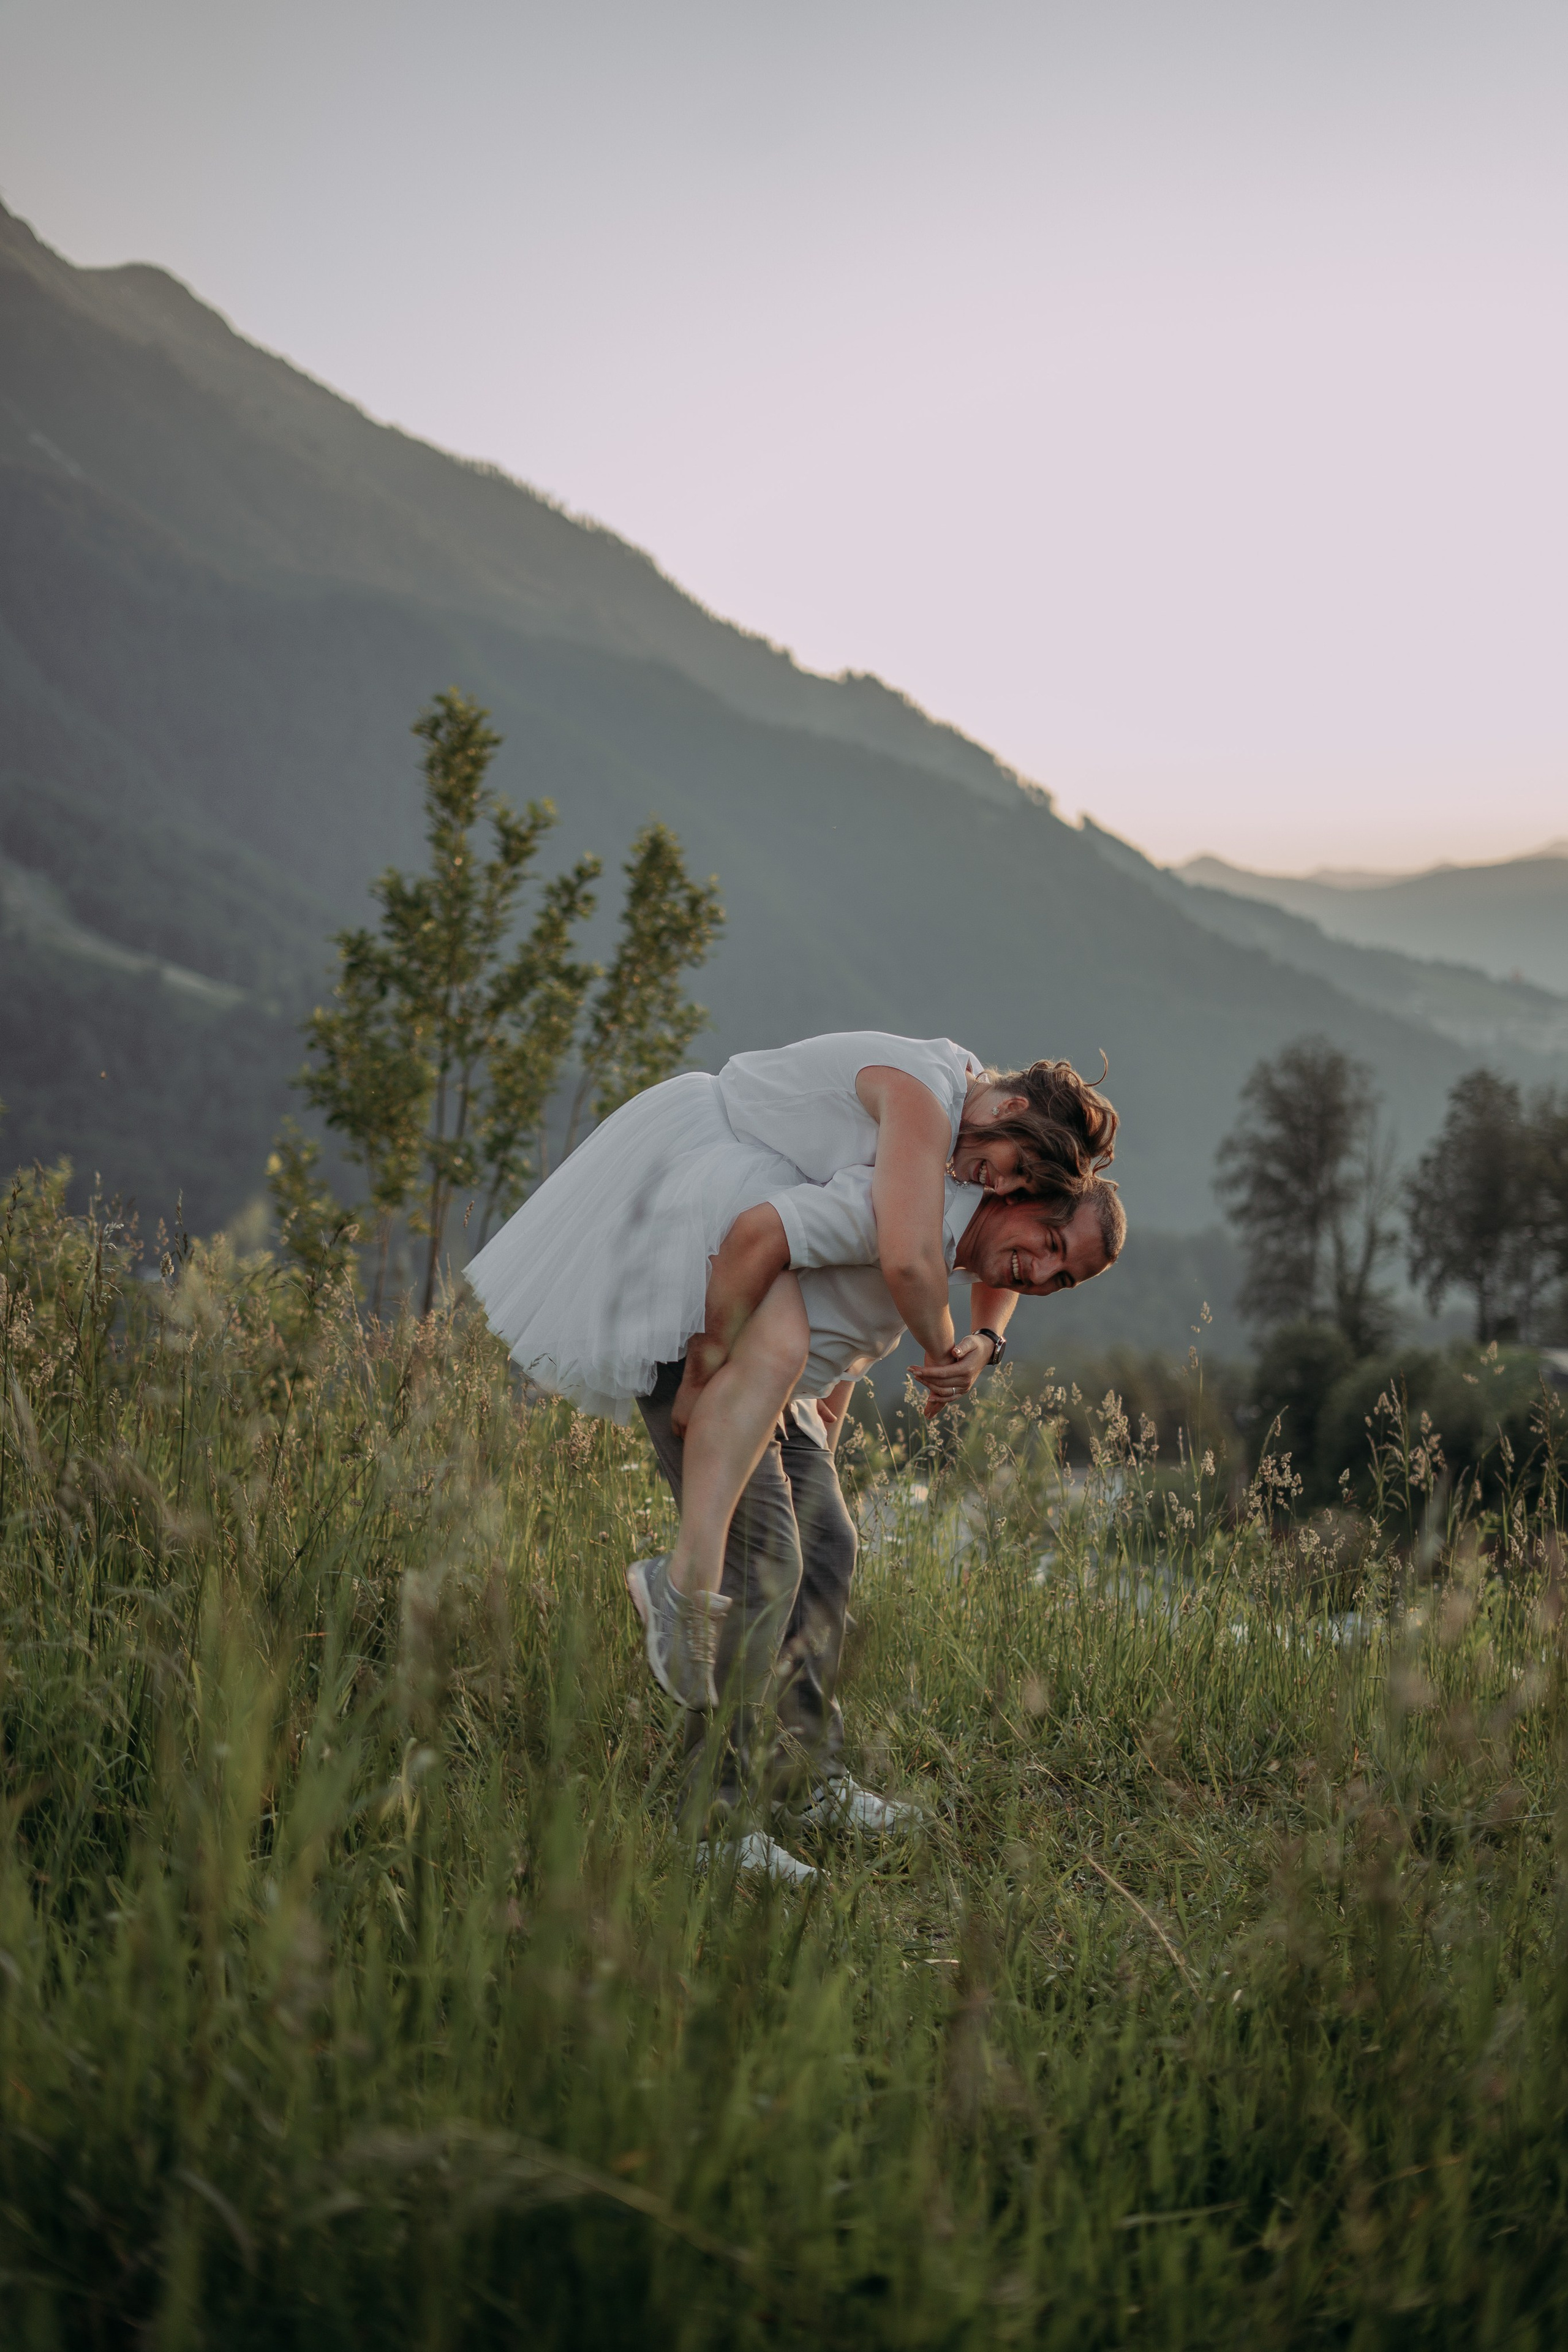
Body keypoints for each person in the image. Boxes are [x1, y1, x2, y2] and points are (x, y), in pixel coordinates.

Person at [466, 1033, 1117, 1694]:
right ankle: (689, 1613)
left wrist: (986, 1339)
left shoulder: (969, 1149)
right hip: (713, 1162)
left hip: (755, 1189)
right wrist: (943, 1349)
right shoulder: (925, 1101)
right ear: (1009, 1112)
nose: (1000, 1185)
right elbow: (908, 1263)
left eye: (1019, 1187)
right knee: (776, 1371)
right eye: (1015, 1171)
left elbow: (953, 1276)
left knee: (820, 1529)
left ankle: (796, 1766)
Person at [628, 1166, 1124, 1881]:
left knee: (828, 1547)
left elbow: (848, 1311)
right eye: (1048, 1242)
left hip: (787, 1390)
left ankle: (804, 1782)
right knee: (763, 1560)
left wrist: (986, 1338)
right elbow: (769, 1238)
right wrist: (704, 1372)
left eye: (1063, 1276)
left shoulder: (958, 1245)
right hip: (716, 1354)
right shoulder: (912, 1212)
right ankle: (712, 1822)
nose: (1041, 1271)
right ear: (1017, 1197)